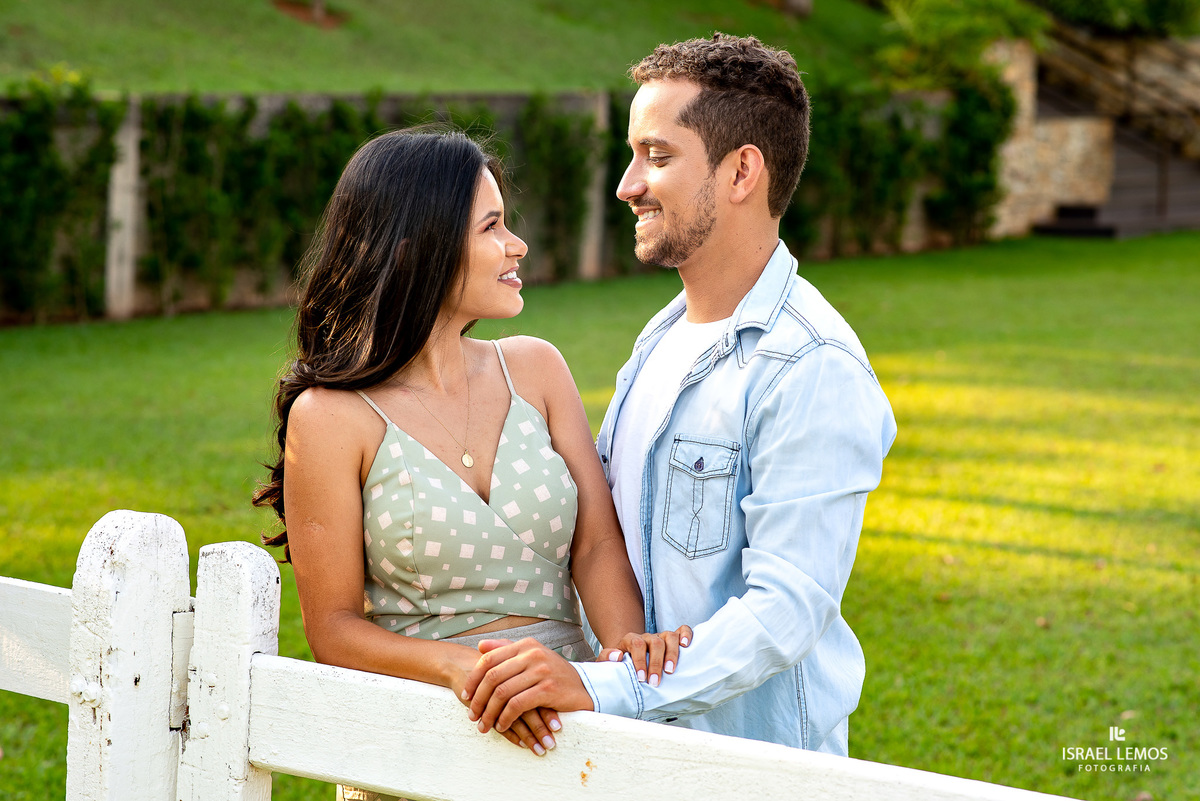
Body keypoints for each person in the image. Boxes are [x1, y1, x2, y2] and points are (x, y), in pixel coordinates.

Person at [463, 33, 897, 756]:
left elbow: (784, 611)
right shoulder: (662, 336)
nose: (626, 184)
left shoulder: (811, 366)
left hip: (747, 770)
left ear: (740, 173)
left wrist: (608, 686)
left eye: (657, 157)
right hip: (634, 758)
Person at [251, 128, 688, 792]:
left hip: (569, 727)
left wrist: (621, 657)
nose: (517, 246)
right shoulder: (330, 417)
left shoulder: (537, 369)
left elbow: (597, 542)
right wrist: (465, 672)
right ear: (417, 249)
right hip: (431, 730)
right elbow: (334, 630)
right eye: (491, 228)